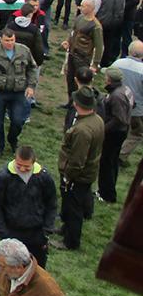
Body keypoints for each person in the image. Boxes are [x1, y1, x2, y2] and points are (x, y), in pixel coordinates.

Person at [0, 145, 58, 268]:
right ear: (15, 159)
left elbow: (51, 204)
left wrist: (46, 231)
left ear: (33, 163)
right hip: (12, 232)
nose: (22, 169)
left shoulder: (44, 177)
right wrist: (3, 234)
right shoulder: (3, 177)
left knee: (36, 271)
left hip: (37, 234)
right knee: (7, 270)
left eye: (26, 166)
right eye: (19, 165)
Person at [52, 86, 104, 251]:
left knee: (74, 209)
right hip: (89, 172)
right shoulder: (97, 120)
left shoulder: (82, 130)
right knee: (69, 205)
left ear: (77, 103)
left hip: (77, 176)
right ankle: (65, 229)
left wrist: (68, 176)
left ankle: (71, 242)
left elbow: (77, 160)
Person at [0, 29, 39, 157]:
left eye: (12, 40)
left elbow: (32, 68)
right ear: (0, 39)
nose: (10, 43)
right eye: (7, 40)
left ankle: (13, 139)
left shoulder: (24, 50)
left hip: (18, 91)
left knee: (18, 120)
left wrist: (31, 86)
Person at [99, 67, 133, 203]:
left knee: (106, 163)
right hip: (123, 131)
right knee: (112, 162)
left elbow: (119, 118)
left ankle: (106, 194)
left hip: (114, 134)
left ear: (109, 79)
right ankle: (109, 191)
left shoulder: (116, 96)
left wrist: (103, 129)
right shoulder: (126, 89)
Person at [61, 0, 104, 101]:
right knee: (70, 79)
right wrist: (68, 41)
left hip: (83, 57)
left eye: (83, 6)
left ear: (90, 8)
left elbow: (99, 46)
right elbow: (73, 32)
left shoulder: (96, 26)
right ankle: (70, 101)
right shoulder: (79, 18)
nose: (80, 8)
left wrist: (95, 64)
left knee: (81, 82)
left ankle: (80, 102)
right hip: (72, 53)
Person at [114, 40, 143, 168]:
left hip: (116, 104)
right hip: (136, 109)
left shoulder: (118, 63)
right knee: (136, 133)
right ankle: (121, 155)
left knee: (115, 129)